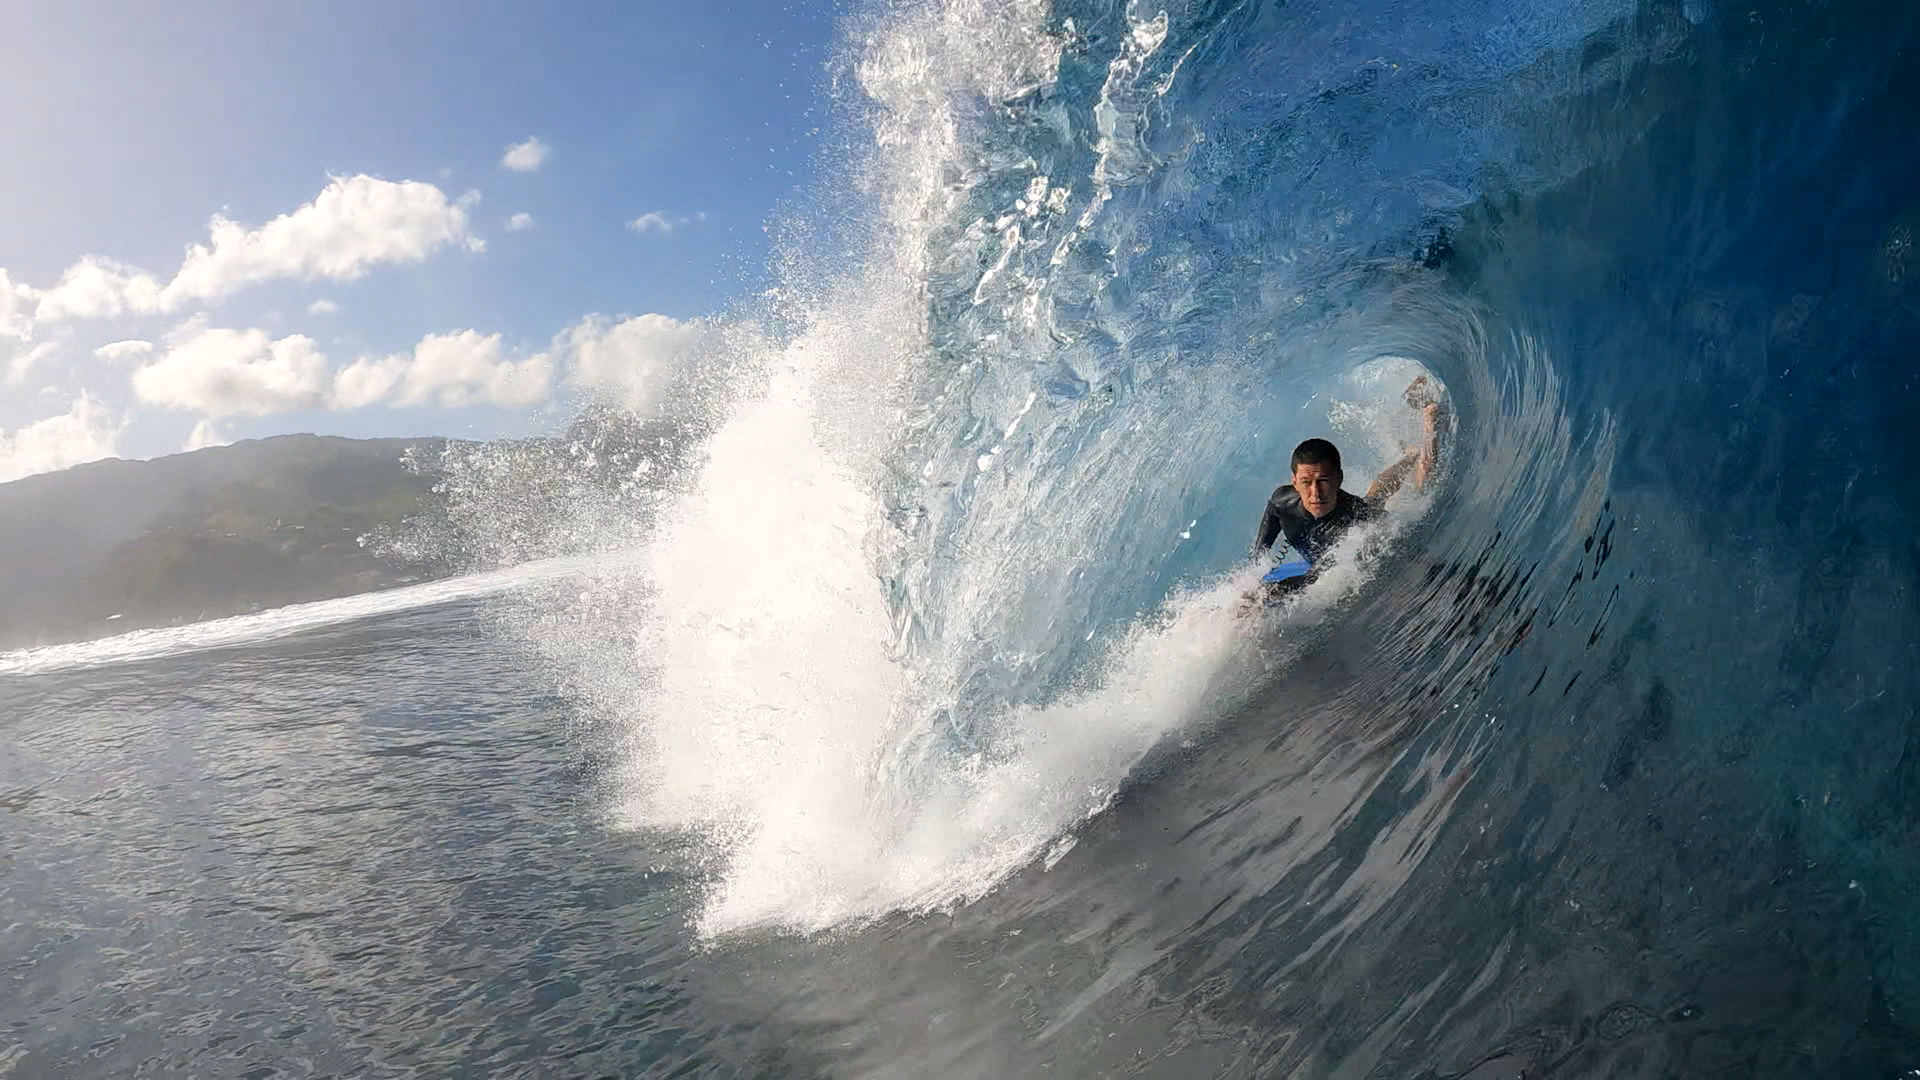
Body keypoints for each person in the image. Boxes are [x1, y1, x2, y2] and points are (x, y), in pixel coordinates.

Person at [1251, 376, 1446, 566]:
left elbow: (1319, 576)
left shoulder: (1354, 520)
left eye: (1323, 481)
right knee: (1376, 493)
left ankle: (1429, 430)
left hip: (1375, 521)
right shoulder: (1281, 501)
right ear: (1295, 482)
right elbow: (1263, 543)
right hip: (1363, 508)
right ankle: (1412, 455)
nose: (1315, 493)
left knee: (1417, 492)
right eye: (1306, 482)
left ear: (1339, 479)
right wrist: (1255, 571)